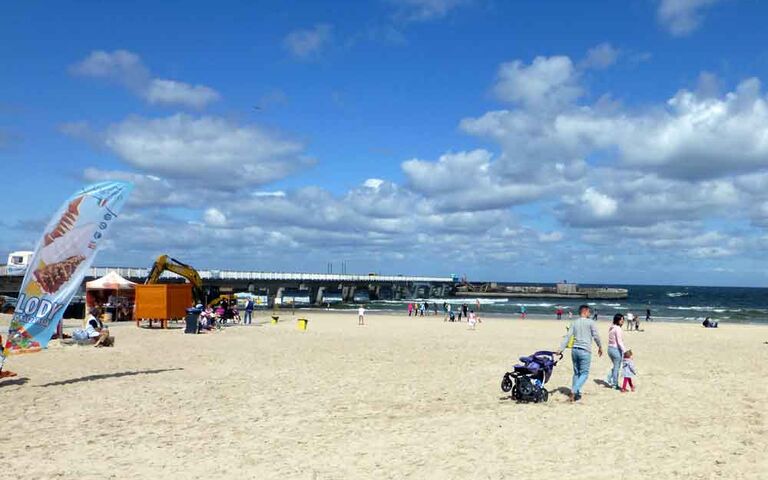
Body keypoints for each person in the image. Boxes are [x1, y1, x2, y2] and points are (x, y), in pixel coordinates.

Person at [557, 304, 603, 402]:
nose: (590, 314)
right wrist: (600, 346)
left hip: (575, 350)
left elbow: (567, 336)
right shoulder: (590, 322)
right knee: (584, 373)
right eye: (589, 312)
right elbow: (596, 336)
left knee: (576, 373)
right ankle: (574, 391)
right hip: (585, 350)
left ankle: (575, 394)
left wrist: (561, 349)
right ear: (585, 311)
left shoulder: (574, 322)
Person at [606, 314, 626, 389]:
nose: (623, 321)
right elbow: (619, 342)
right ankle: (615, 384)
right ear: (617, 320)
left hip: (610, 349)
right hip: (615, 349)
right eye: (621, 320)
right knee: (617, 368)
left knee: (615, 366)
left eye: (623, 319)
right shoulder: (618, 329)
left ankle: (608, 378)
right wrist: (625, 351)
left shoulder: (612, 328)